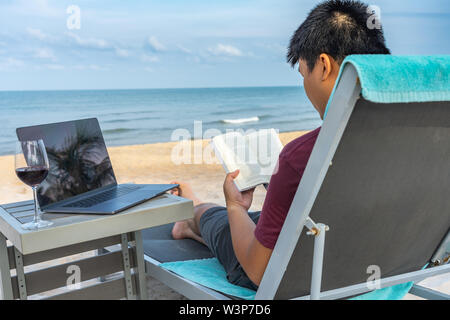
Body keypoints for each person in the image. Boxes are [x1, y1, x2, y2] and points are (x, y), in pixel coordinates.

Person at [170, 0, 390, 290]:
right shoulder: (421, 135)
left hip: (301, 275)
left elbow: (258, 272)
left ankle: (193, 211)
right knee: (259, 219)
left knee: (216, 218)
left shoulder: (301, 157)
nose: (305, 85)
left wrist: (235, 206)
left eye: (303, 74)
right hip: (376, 255)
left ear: (323, 66)